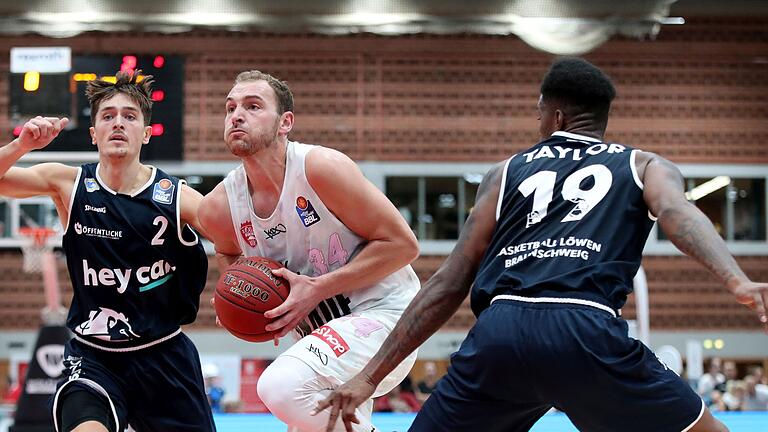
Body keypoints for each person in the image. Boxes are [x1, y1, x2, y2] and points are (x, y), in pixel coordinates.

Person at [315, 57, 768, 432]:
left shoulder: (504, 173)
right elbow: (679, 214)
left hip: (501, 333)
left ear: (554, 117)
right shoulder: (644, 164)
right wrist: (737, 281)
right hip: (585, 331)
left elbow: (448, 282)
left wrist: (368, 377)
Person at [198, 70, 421, 431]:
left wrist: (319, 287)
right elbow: (231, 259)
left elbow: (403, 245)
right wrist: (237, 294)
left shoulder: (321, 169)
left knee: (279, 386)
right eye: (230, 108)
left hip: (387, 318)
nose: (237, 115)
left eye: (253, 106)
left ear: (286, 122)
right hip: (322, 337)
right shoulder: (219, 207)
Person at [0, 71, 215, 431]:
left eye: (130, 116)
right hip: (93, 356)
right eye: (108, 116)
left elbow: (232, 242)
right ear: (93, 133)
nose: (118, 123)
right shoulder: (68, 183)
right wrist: (21, 146)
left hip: (164, 354)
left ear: (146, 133)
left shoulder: (178, 196)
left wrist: (235, 289)